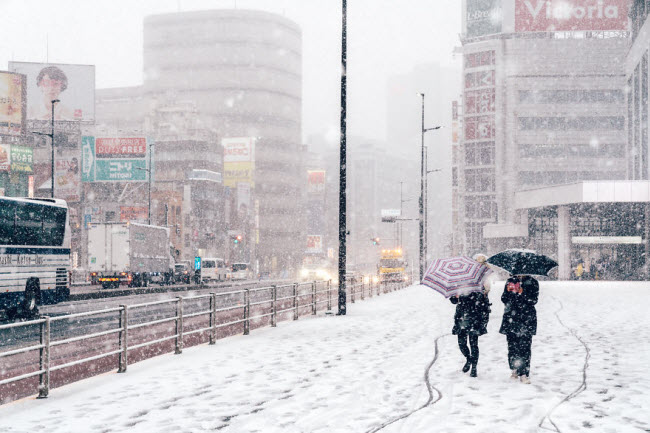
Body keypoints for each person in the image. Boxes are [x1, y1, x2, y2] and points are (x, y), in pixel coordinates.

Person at [450, 265, 491, 377]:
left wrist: (474, 297)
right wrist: (456, 297)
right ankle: (469, 359)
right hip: (461, 317)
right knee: (461, 343)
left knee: (474, 344)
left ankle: (474, 367)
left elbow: (483, 301)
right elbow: (453, 300)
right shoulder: (458, 285)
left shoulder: (478, 284)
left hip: (474, 317)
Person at [499, 275, 539, 384]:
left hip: (527, 319)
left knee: (525, 347)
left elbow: (534, 300)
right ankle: (515, 369)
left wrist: (522, 293)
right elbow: (504, 298)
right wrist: (510, 292)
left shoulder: (532, 282)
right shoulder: (510, 281)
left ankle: (524, 373)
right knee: (512, 346)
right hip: (511, 318)